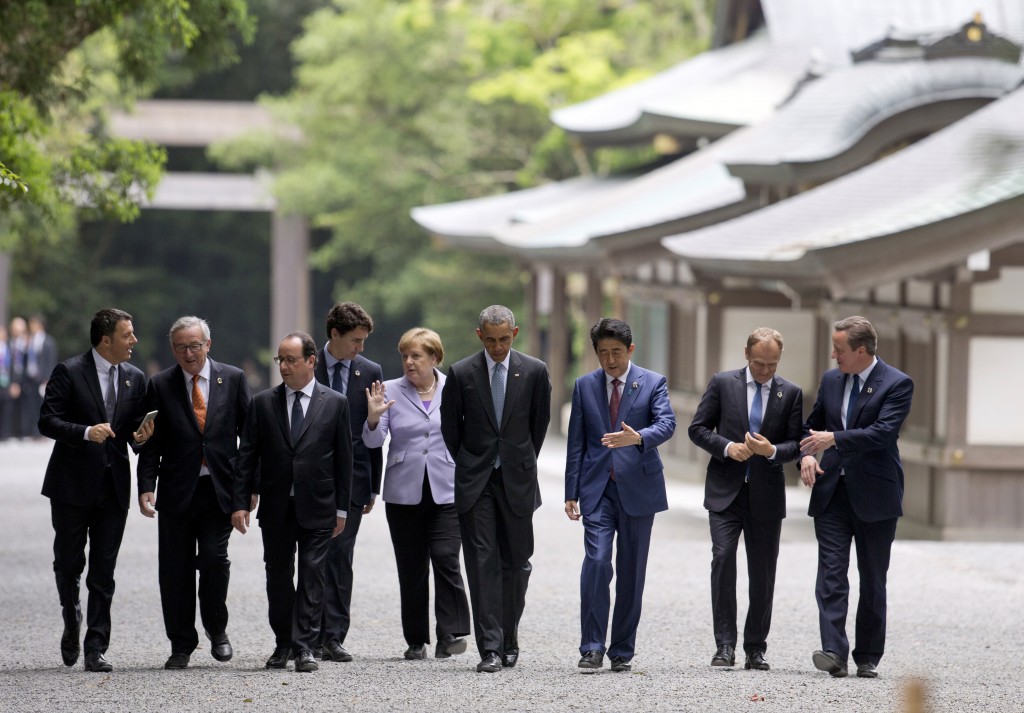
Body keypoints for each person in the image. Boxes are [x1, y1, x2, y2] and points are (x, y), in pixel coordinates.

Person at [38, 308, 154, 672]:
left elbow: (134, 434)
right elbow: (47, 421)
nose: (134, 340)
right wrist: (86, 432)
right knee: (69, 563)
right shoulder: (69, 371)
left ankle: (96, 647)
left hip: (113, 487)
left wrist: (141, 437)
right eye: (127, 335)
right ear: (106, 340)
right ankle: (72, 618)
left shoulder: (135, 378)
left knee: (104, 571)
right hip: (71, 485)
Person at [231, 331, 353, 673]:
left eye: (291, 360)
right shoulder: (263, 403)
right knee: (278, 575)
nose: (284, 366)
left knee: (314, 575)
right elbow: (247, 457)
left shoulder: (335, 403)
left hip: (319, 503)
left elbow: (345, 460)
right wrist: (240, 501)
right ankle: (283, 641)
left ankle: (304, 647)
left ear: (311, 361)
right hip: (276, 505)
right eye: (280, 360)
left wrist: (342, 508)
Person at [799, 316, 913, 679]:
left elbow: (882, 433)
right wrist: (805, 454)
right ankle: (833, 650)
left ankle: (867, 655)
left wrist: (833, 439)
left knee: (873, 577)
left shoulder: (896, 383)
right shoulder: (831, 380)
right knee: (831, 573)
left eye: (839, 350)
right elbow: (811, 426)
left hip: (876, 493)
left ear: (861, 351)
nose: (833, 355)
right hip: (832, 490)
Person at [440, 305, 551, 673]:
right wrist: (473, 461)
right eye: (491, 340)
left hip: (517, 478)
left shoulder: (535, 371)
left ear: (514, 334)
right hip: (477, 481)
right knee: (481, 561)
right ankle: (490, 647)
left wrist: (517, 460)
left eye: (504, 339)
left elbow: (538, 426)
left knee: (516, 563)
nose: (498, 347)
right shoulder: (461, 373)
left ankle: (509, 636)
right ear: (479, 336)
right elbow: (450, 429)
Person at [137, 316, 252, 669]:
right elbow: (150, 441)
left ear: (208, 345)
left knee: (215, 561)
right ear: (173, 349)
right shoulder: (160, 384)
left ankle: (217, 629)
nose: (189, 353)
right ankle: (181, 643)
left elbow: (249, 440)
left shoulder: (232, 379)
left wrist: (248, 491)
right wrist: (145, 487)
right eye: (182, 347)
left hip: (219, 488)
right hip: (177, 490)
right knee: (175, 570)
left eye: (195, 346)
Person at [564, 318, 676, 673]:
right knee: (597, 562)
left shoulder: (653, 382)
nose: (610, 360)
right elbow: (576, 443)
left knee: (631, 570)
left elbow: (667, 423)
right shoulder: (584, 386)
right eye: (602, 353)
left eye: (616, 352)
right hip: (598, 488)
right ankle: (592, 646)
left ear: (630, 349)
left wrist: (638, 437)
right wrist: (571, 491)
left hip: (639, 487)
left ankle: (622, 649)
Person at [688, 327, 803, 671]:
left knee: (763, 572)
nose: (765, 371)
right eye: (758, 363)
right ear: (746, 354)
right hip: (726, 492)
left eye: (771, 365)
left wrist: (772, 451)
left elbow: (797, 444)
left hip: (766, 496)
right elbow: (698, 428)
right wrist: (727, 447)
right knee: (723, 560)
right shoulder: (723, 383)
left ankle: (756, 647)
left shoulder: (791, 393)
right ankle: (725, 645)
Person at [363, 327, 471, 660]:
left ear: (435, 358)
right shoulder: (389, 390)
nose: (409, 362)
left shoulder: (456, 388)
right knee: (411, 568)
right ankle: (415, 639)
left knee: (446, 558)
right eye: (405, 356)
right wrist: (372, 418)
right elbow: (373, 442)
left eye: (416, 356)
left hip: (447, 488)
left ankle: (450, 631)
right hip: (403, 491)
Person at [312, 301, 383, 662]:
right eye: (355, 340)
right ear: (334, 335)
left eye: (364, 340)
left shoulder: (369, 370)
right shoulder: (307, 363)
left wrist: (374, 484)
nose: (360, 348)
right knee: (312, 555)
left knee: (341, 556)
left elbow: (376, 430)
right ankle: (308, 632)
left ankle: (334, 636)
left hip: (354, 478)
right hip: (312, 477)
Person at [25, 314, 58, 438]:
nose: (30, 327)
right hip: (31, 378)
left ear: (39, 325)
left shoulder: (48, 341)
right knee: (32, 405)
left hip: (43, 379)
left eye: (33, 324)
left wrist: (48, 378)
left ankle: (43, 432)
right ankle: (34, 431)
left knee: (43, 406)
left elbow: (50, 360)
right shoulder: (30, 340)